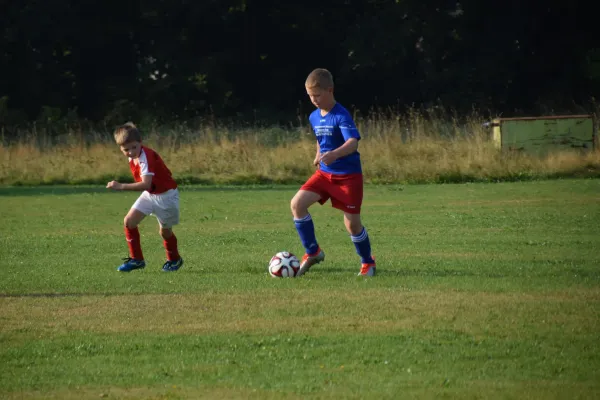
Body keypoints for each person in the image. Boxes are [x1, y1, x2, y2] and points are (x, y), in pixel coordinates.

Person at [292, 68, 376, 277]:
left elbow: (352, 143)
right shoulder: (314, 116)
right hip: (325, 174)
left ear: (330, 90)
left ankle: (368, 263)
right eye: (310, 96)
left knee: (352, 225)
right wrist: (318, 154)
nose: (314, 100)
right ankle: (313, 252)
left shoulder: (341, 115)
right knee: (297, 204)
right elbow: (321, 140)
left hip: (348, 177)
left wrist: (334, 155)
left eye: (317, 95)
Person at [106, 122, 183, 272]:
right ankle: (137, 260)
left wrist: (121, 186)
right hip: (150, 195)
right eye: (126, 149)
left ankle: (174, 259)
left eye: (134, 147)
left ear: (140, 142)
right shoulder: (132, 156)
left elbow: (146, 184)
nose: (130, 152)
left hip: (166, 197)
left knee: (165, 232)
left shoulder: (145, 157)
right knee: (129, 221)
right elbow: (148, 188)